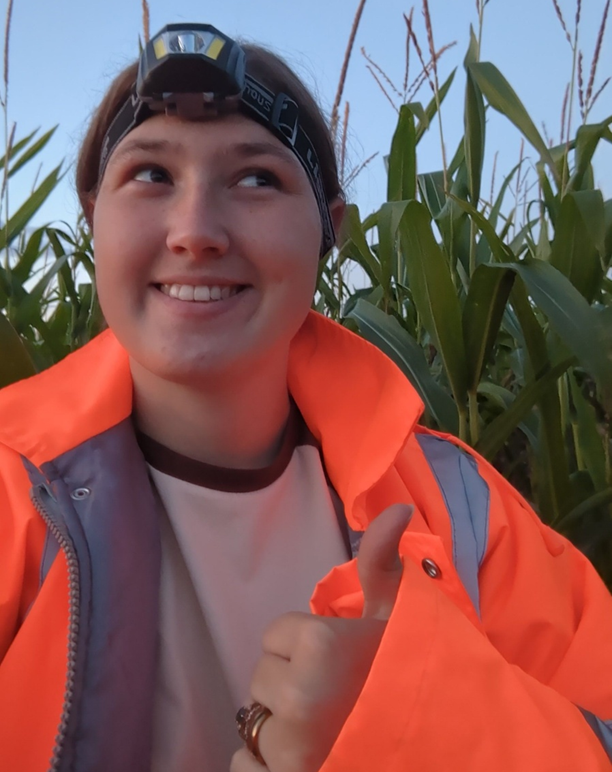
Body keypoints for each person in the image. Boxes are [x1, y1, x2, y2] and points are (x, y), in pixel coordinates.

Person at [0, 21, 610, 772]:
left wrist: (414, 724)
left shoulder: (463, 512)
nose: (195, 232)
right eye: (151, 174)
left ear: (330, 231)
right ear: (93, 217)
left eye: (257, 179)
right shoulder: (13, 491)